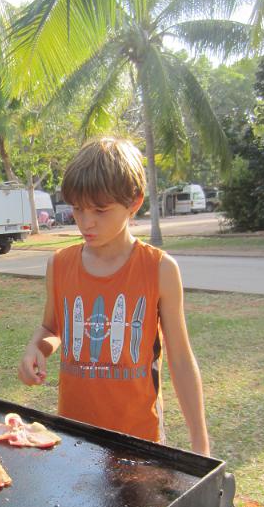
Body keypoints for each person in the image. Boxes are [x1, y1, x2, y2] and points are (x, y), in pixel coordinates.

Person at [18, 137, 210, 456]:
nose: (85, 222)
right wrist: (34, 350)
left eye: (100, 210)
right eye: (78, 208)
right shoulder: (59, 264)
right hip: (73, 436)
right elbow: (52, 329)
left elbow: (180, 359)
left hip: (139, 439)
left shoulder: (159, 269)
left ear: (134, 202)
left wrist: (201, 446)